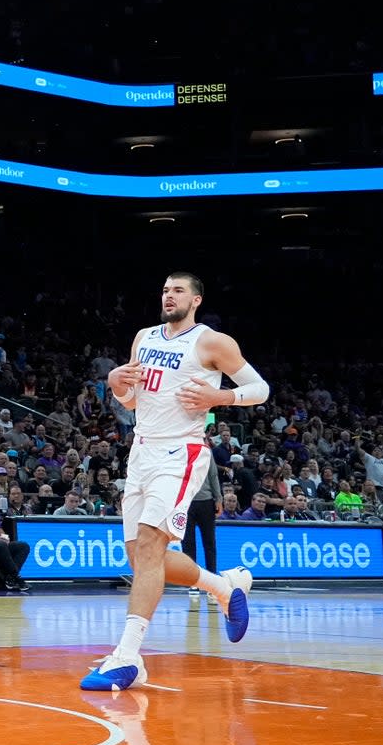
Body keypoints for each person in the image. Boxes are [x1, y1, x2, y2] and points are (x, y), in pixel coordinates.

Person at [82, 273, 269, 691]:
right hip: (141, 450)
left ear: (196, 299)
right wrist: (115, 387)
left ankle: (128, 657)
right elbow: (133, 400)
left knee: (150, 546)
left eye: (178, 290)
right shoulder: (144, 337)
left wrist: (220, 398)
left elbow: (260, 388)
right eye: (165, 290)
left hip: (180, 451)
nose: (169, 296)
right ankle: (224, 586)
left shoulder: (213, 342)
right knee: (141, 560)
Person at [182, 440, 223, 596]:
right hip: (185, 502)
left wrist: (218, 498)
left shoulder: (205, 450)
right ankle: (192, 581)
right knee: (188, 543)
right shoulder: (178, 449)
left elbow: (213, 474)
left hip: (206, 501)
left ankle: (212, 581)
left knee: (209, 542)